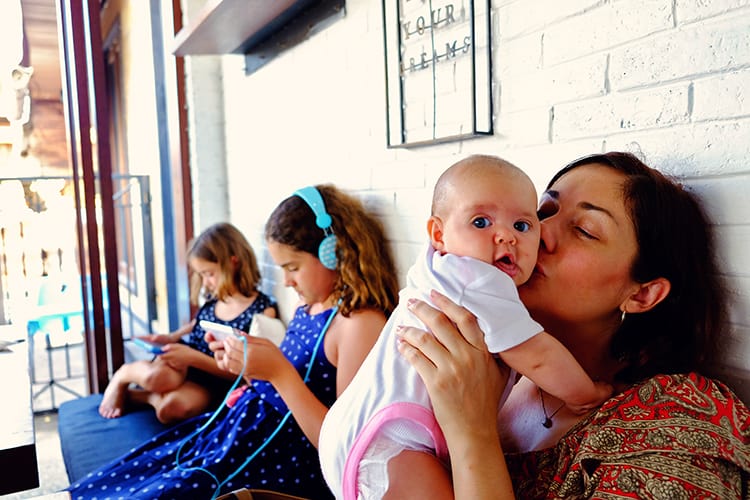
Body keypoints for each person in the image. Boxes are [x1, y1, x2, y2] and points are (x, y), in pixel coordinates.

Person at [394, 151, 750, 498]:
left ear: (643, 295)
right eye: (540, 213)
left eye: (584, 230)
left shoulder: (676, 423)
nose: (536, 235)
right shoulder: (483, 361)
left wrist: (472, 434)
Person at [66, 184, 400, 500]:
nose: (286, 280)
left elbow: (342, 444)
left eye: (293, 267)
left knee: (167, 489)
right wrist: (247, 367)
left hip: (278, 460)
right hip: (239, 431)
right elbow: (291, 387)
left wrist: (279, 374)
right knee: (141, 469)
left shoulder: (358, 324)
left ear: (334, 253)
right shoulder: (310, 306)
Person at [318, 155, 611, 499]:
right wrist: (585, 396)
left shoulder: (437, 265)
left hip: (362, 428)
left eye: (523, 225)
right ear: (438, 234)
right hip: (393, 442)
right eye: (481, 221)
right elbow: (537, 356)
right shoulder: (479, 281)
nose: (506, 237)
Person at [98, 222, 277, 423]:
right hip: (186, 360)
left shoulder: (262, 311)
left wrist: (192, 358)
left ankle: (143, 397)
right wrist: (173, 337)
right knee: (157, 378)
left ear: (233, 262)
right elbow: (198, 323)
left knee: (170, 410)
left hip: (215, 377)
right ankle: (123, 374)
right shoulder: (217, 299)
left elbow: (244, 371)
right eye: (201, 275)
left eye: (209, 274)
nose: (206, 282)